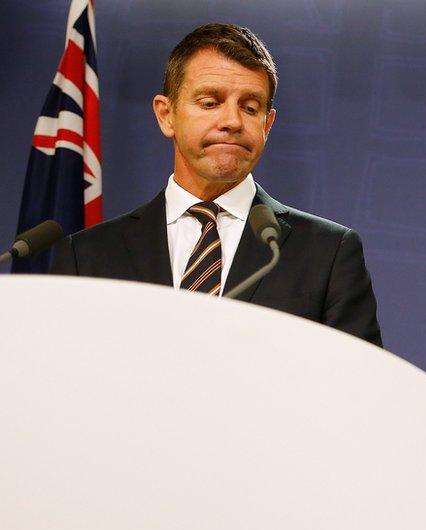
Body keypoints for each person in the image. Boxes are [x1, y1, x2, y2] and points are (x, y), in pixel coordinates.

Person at [50, 23, 381, 347]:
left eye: (250, 108)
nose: (232, 122)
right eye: (210, 103)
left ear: (267, 124)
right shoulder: (87, 256)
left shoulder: (327, 253)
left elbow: (358, 389)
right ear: (166, 115)